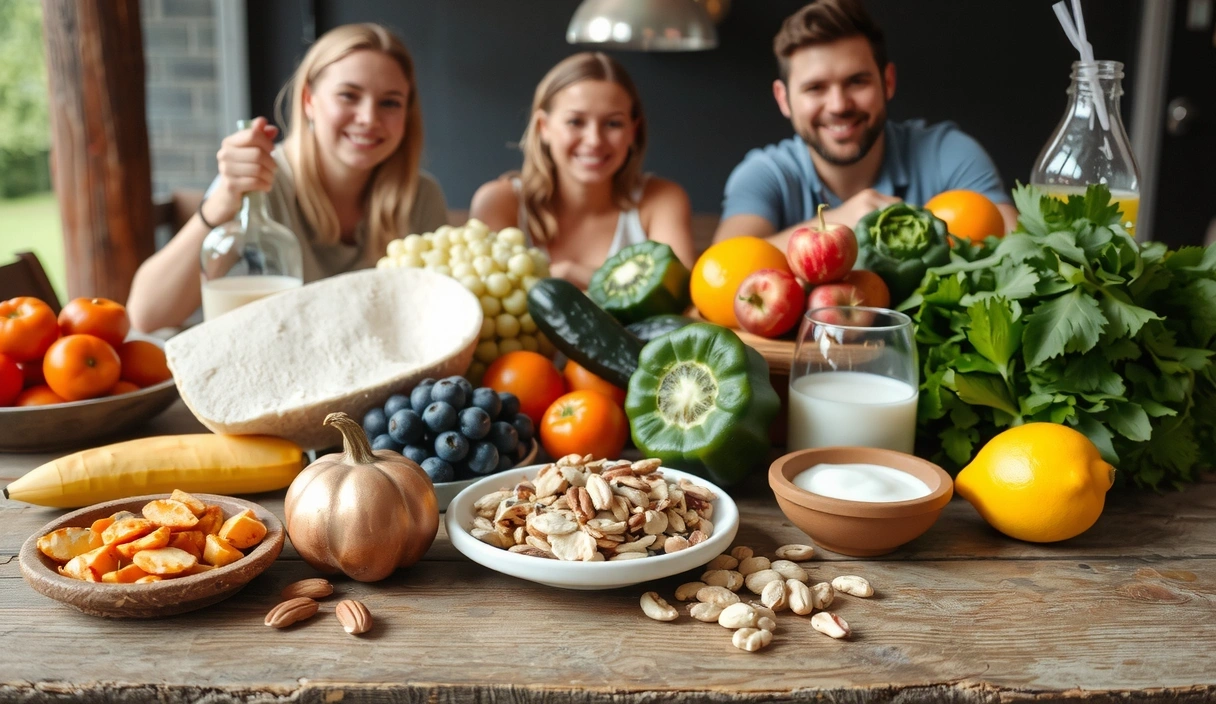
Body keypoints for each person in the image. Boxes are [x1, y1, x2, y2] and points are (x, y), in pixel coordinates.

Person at [127, 23, 448, 332]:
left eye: (390, 102)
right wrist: (224, 199)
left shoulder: (420, 196)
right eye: (349, 95)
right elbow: (147, 315)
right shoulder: (261, 181)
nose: (368, 118)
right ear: (309, 101)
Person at [713, 0, 1018, 249]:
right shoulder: (765, 174)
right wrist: (837, 224)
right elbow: (724, 266)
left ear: (888, 82)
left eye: (857, 82)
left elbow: (1016, 243)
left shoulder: (949, 153)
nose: (839, 106)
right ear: (783, 99)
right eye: (815, 88)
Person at [469, 52, 694, 289]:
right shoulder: (499, 202)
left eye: (613, 123)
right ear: (543, 127)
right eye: (575, 121)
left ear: (633, 131)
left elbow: (678, 296)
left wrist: (572, 272)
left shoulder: (662, 200)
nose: (594, 140)